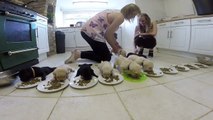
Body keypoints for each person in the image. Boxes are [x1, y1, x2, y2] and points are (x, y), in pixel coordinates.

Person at [65, 3, 141, 64]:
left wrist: (116, 45)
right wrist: (115, 48)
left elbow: (111, 34)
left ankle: (79, 53)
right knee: (106, 58)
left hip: (88, 31)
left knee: (105, 54)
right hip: (91, 32)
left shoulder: (116, 12)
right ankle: (78, 54)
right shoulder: (120, 17)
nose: (133, 17)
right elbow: (108, 35)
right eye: (134, 15)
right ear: (130, 12)